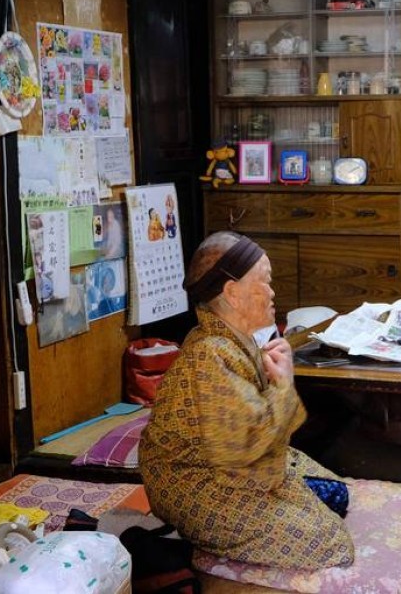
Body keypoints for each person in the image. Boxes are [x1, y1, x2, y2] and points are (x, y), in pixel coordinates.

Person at [139, 231, 354, 570]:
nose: (272, 292)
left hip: (238, 467)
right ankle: (192, 547)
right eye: (265, 282)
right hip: (196, 486)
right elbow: (246, 447)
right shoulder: (209, 354)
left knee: (336, 494)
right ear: (232, 294)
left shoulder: (230, 338)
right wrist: (283, 384)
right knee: (327, 542)